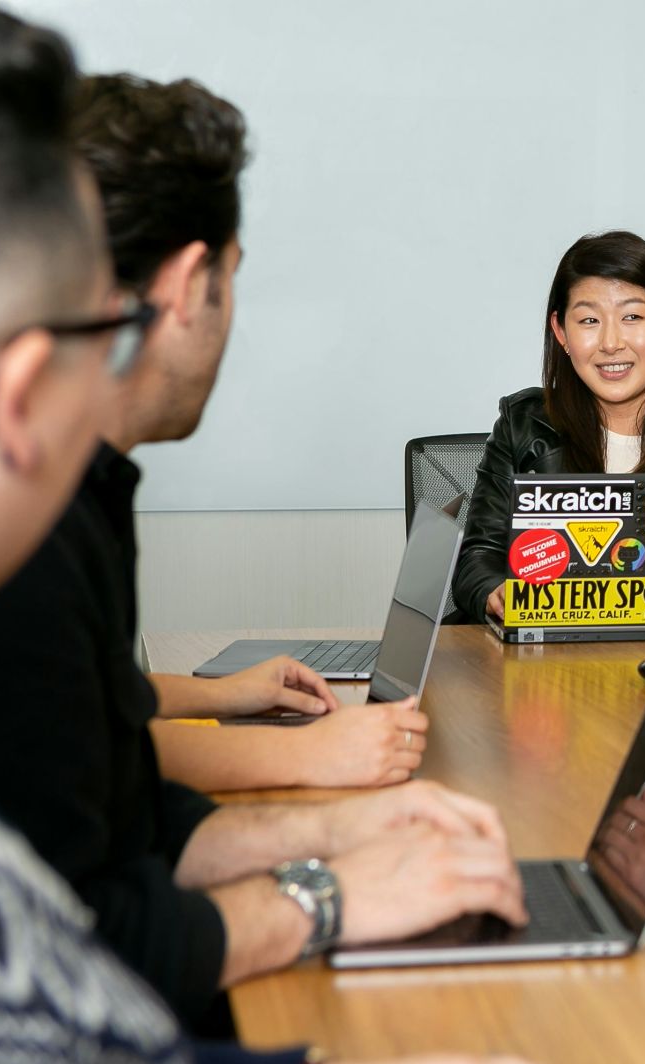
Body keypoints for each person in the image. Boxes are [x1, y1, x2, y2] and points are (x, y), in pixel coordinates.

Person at [0, 6, 546, 1064]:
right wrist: (325, 896)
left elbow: (61, 955)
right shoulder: (14, 581)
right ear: (21, 396)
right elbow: (79, 955)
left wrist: (327, 843)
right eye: (89, 323)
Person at [55, 73, 427, 794]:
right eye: (233, 278)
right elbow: (82, 778)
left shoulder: (77, 480)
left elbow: (82, 715)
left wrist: (228, 696)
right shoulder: (34, 517)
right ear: (191, 285)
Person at [453, 230, 645, 622]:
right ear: (561, 333)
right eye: (588, 320)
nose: (610, 342)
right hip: (545, 671)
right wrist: (494, 593)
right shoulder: (522, 425)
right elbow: (476, 562)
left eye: (632, 317)